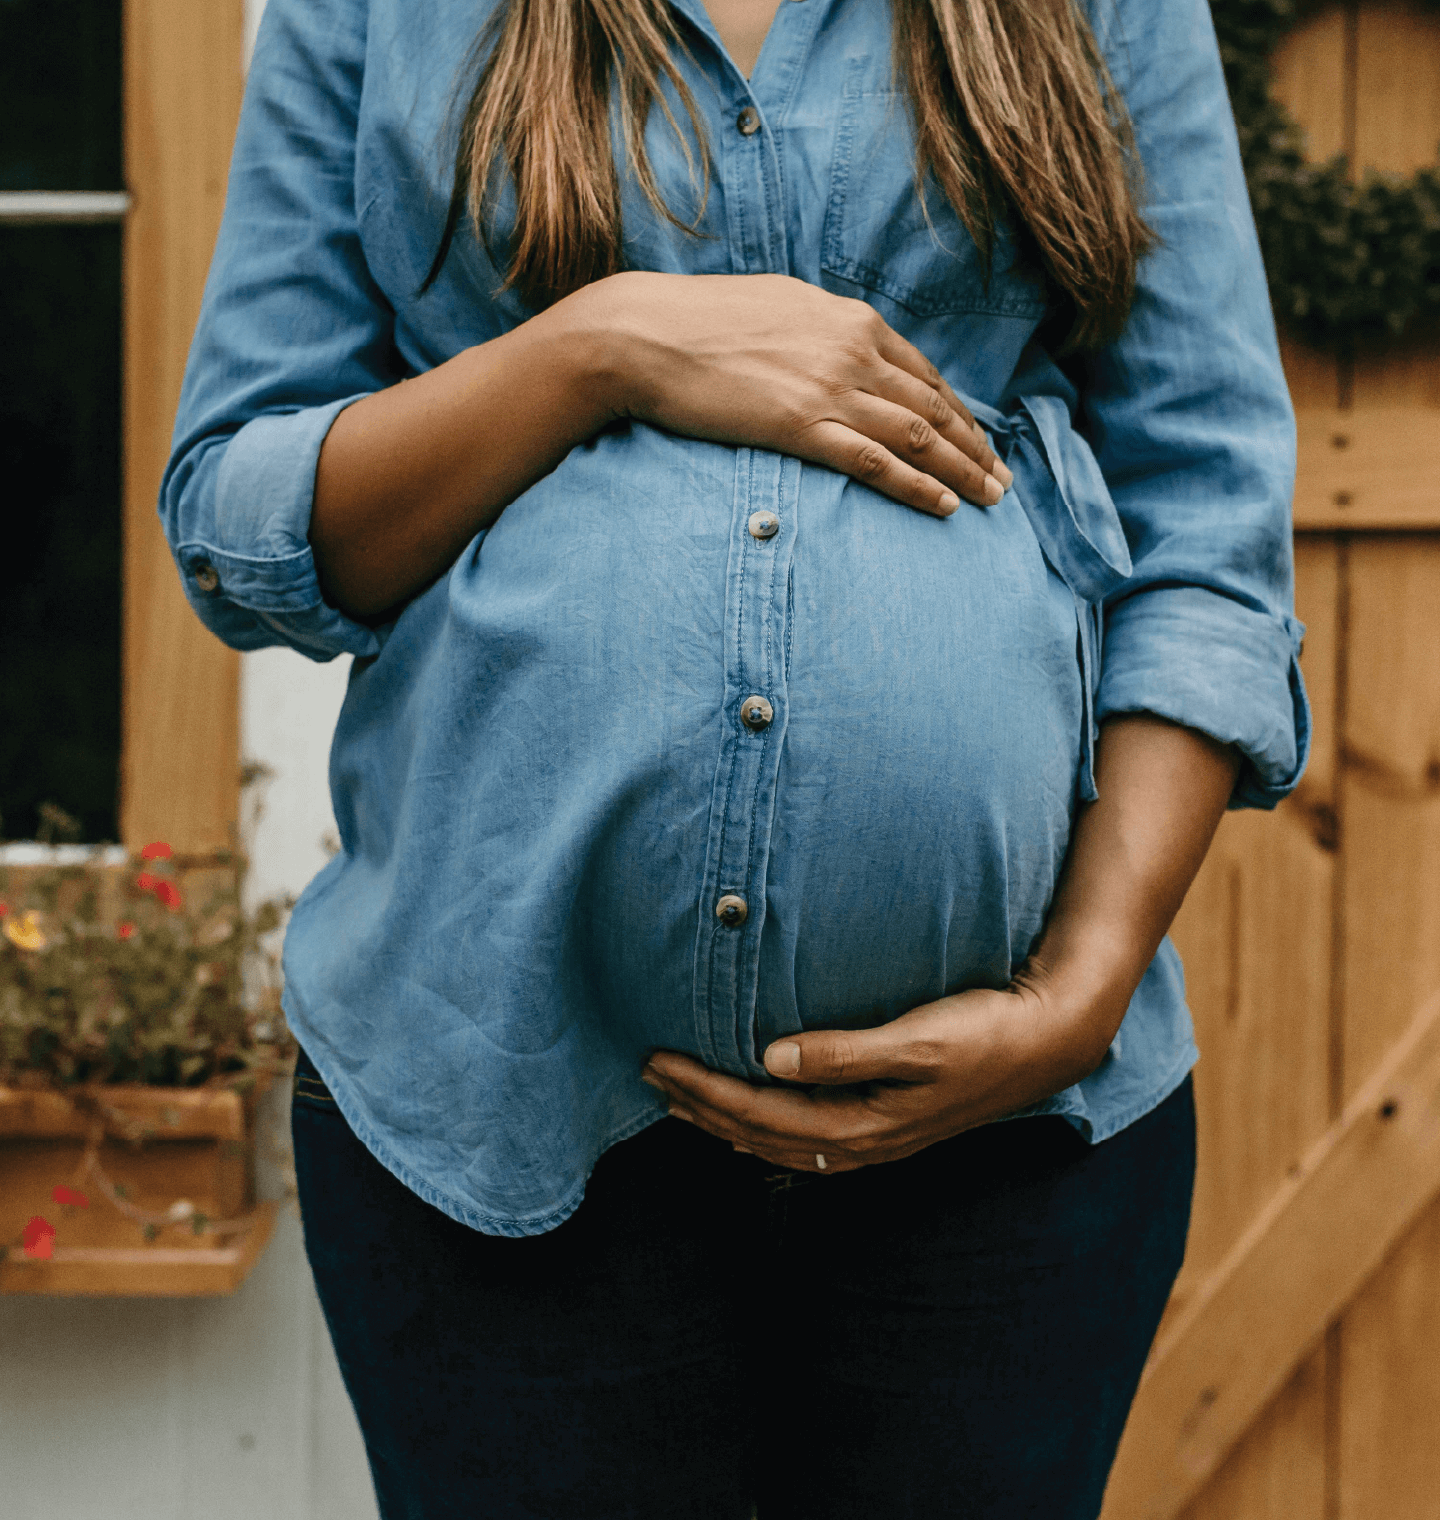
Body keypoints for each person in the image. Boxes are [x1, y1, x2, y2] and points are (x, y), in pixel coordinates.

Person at [161, 0, 1308, 1513]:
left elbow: (1209, 520)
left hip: (1007, 1156)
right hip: (493, 1118)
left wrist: (1082, 989)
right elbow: (237, 520)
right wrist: (596, 348)